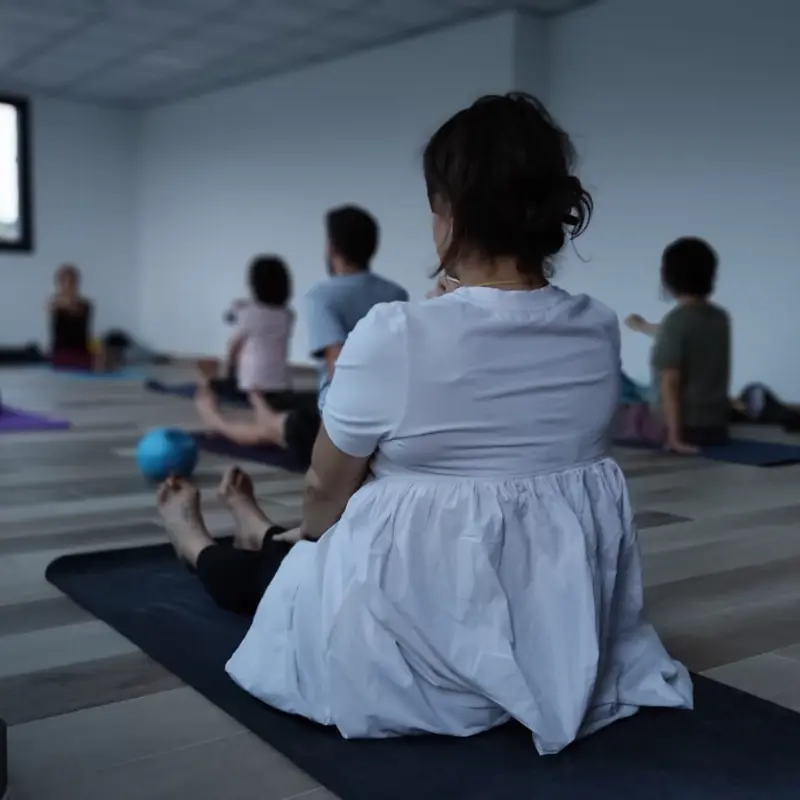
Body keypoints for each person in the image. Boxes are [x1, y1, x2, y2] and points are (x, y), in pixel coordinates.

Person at [157, 92, 692, 755]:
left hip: (431, 587)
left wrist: (314, 546)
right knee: (304, 544)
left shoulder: (395, 333)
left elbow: (327, 491)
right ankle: (259, 527)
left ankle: (192, 541)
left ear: (450, 216)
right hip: (547, 594)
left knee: (278, 580)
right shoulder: (597, 324)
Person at [195, 206, 408, 463]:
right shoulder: (396, 294)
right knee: (296, 406)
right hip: (390, 411)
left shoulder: (322, 297)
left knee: (275, 429)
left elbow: (338, 369)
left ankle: (216, 421)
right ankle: (264, 408)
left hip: (345, 423)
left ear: (332, 248)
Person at [626, 238, 731, 452]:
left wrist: (675, 438)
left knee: (617, 389)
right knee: (632, 388)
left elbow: (670, 384)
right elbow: (683, 335)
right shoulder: (720, 318)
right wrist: (642, 326)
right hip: (716, 427)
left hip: (681, 428)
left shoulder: (676, 321)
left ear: (668, 277)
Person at [196, 256, 295, 409]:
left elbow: (234, 348)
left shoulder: (248, 314)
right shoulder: (288, 315)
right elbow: (267, 317)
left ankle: (209, 382)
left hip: (251, 387)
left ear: (254, 285)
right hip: (281, 385)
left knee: (208, 378)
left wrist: (227, 375)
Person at [47, 264, 95, 371]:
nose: (67, 286)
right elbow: (54, 306)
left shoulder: (86, 305)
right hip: (62, 353)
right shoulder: (55, 304)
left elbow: (77, 310)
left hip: (82, 351)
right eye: (64, 282)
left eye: (71, 282)